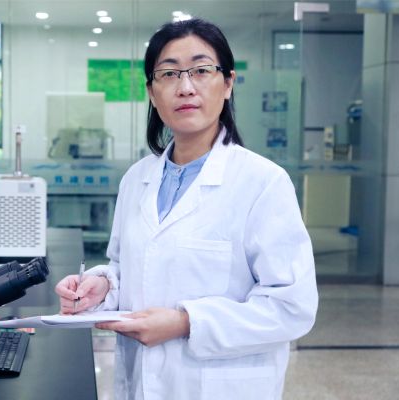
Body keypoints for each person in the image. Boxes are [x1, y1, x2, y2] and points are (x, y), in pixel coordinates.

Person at [55, 18, 318, 400]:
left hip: (222, 387)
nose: (186, 87)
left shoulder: (263, 183)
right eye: (169, 73)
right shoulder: (137, 179)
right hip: (143, 383)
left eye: (201, 70)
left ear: (228, 83)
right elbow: (127, 268)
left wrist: (185, 323)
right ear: (151, 91)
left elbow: (292, 308)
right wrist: (102, 288)